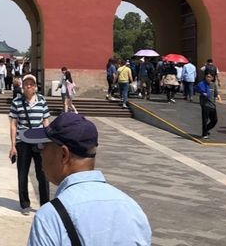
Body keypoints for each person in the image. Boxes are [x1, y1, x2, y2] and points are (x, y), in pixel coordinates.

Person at [22, 113, 151, 245]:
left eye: (42, 146)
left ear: (63, 154)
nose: (40, 153)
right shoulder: (132, 209)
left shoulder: (50, 217)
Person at [9, 74, 50, 215]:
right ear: (22, 86)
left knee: (43, 174)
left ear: (35, 87)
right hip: (23, 141)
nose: (28, 86)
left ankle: (45, 204)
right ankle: (25, 204)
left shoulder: (42, 101)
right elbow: (13, 124)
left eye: (31, 84)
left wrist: (48, 140)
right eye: (26, 84)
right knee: (23, 173)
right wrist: (13, 145)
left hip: (39, 142)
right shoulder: (16, 102)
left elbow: (45, 121)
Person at [195, 72, 221, 139]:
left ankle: (207, 129)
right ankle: (204, 134)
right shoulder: (202, 84)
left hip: (212, 105)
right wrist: (203, 93)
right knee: (205, 120)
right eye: (207, 77)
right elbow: (198, 89)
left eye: (209, 77)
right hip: (205, 104)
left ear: (212, 78)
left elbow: (215, 94)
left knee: (214, 120)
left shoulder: (213, 85)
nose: (208, 78)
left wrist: (218, 97)